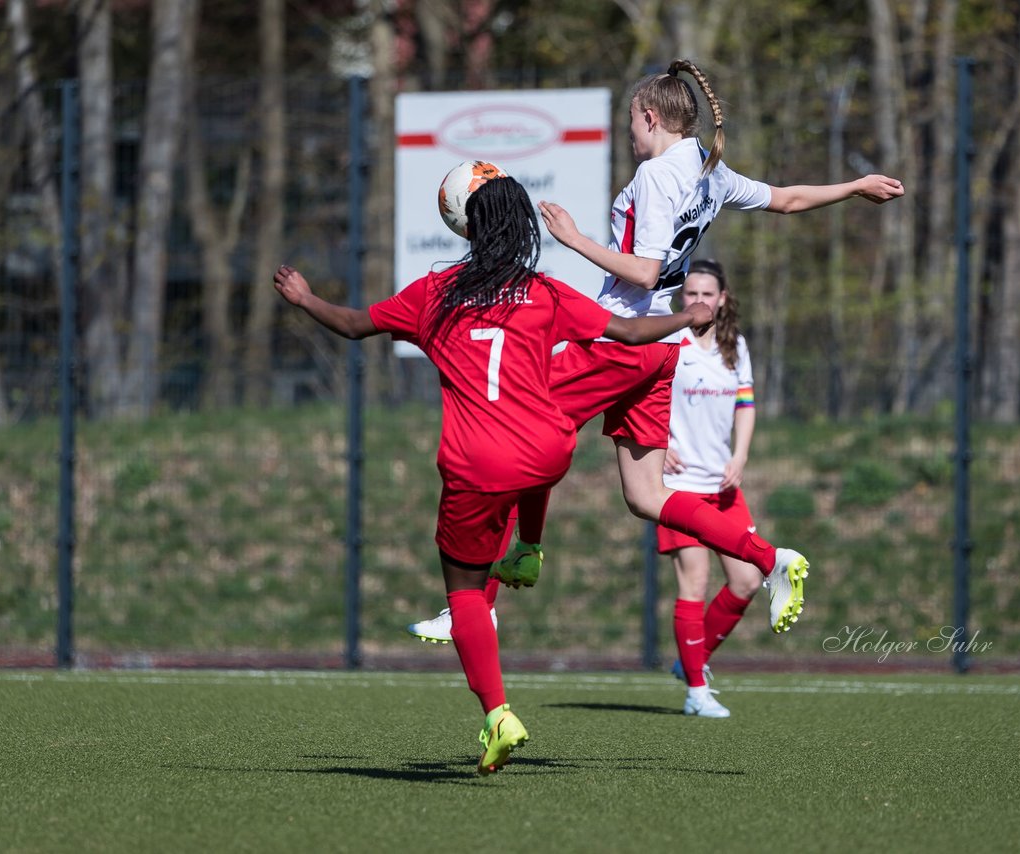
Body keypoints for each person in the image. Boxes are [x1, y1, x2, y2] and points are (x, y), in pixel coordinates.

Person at [408, 59, 903, 644]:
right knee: (646, 496)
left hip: (627, 338)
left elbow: (644, 273)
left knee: (518, 427)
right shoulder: (708, 170)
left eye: (631, 125)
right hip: (666, 350)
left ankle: (482, 598)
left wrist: (574, 240)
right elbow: (788, 200)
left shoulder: (656, 177)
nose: (629, 137)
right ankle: (770, 560)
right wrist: (854, 187)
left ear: (649, 117)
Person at [274, 171, 712, 775]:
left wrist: (305, 299)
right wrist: (686, 320)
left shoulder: (435, 294)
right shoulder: (544, 292)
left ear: (468, 226)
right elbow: (633, 332)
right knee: (529, 472)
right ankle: (529, 547)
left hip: (477, 462)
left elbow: (353, 325)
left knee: (462, 591)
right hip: (546, 452)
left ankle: (498, 712)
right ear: (524, 227)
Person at [658, 259, 761, 718]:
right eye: (691, 293)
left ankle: (692, 662)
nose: (698, 301)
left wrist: (739, 456)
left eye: (707, 294)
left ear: (722, 299)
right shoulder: (668, 339)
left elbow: (745, 405)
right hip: (677, 487)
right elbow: (633, 397)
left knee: (747, 579)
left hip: (721, 487)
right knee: (694, 583)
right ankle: (696, 692)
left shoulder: (734, 345)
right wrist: (657, 446)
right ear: (683, 299)